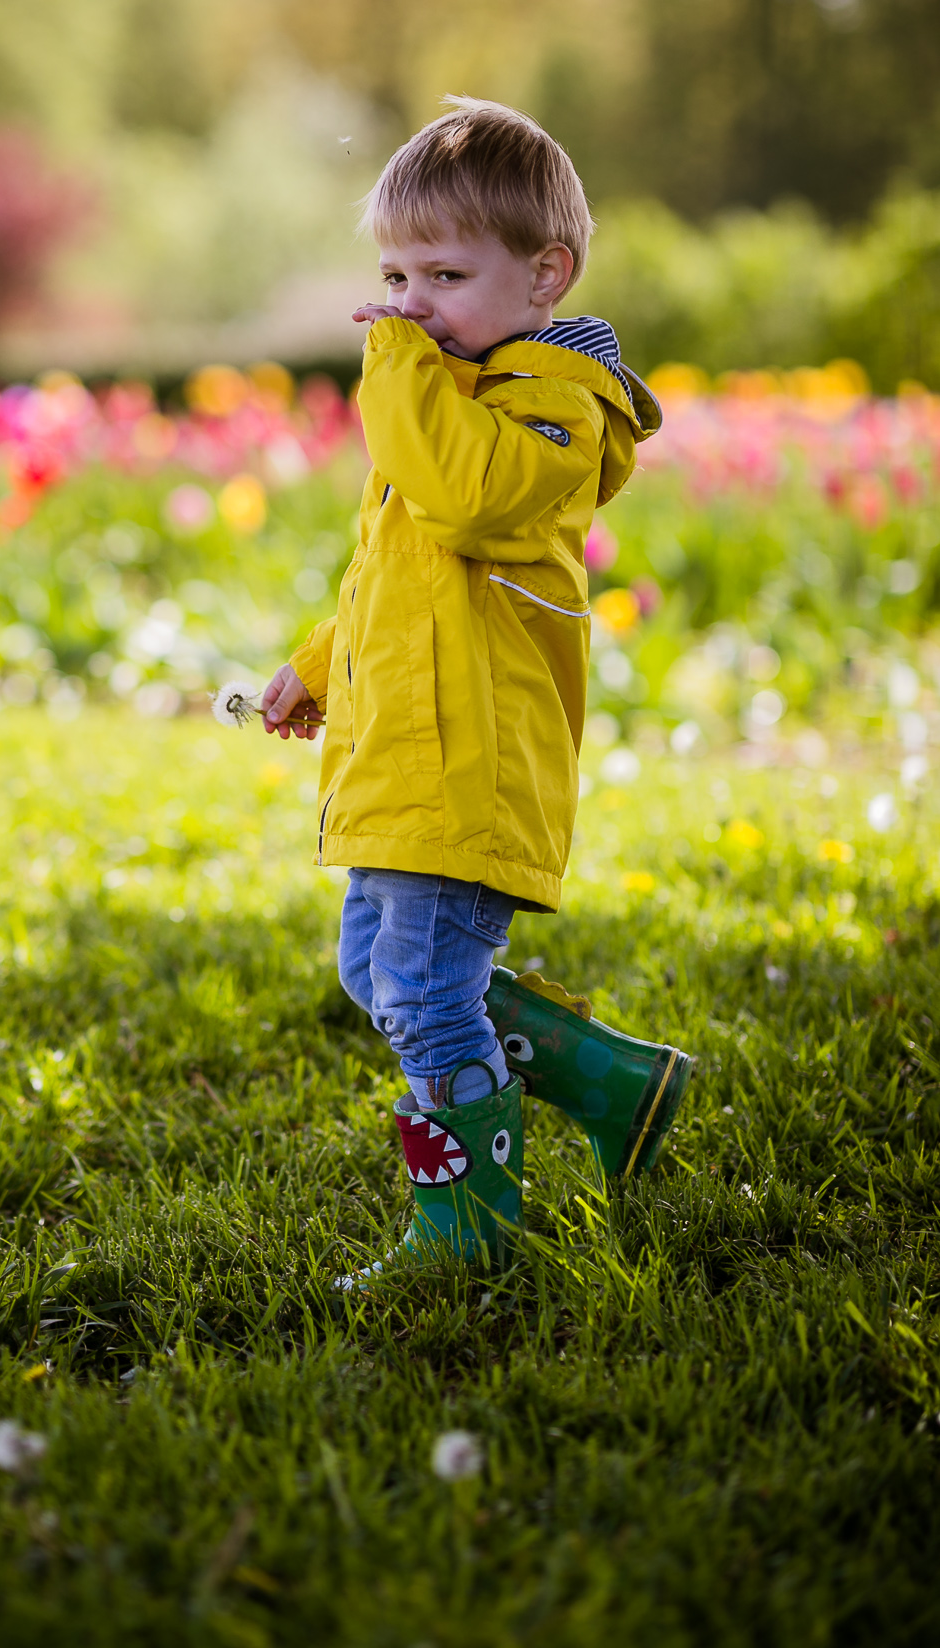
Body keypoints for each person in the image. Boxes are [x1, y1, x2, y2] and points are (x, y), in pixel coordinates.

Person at [259, 97, 691, 1284]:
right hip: (406, 748)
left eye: (444, 276)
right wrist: (314, 665)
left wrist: (396, 362)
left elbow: (460, 500)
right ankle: (613, 1084)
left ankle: (469, 1232)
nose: (410, 305)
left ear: (545, 274)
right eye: (395, 276)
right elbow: (400, 576)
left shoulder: (550, 408)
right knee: (377, 973)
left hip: (469, 760)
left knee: (422, 991)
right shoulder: (455, 393)